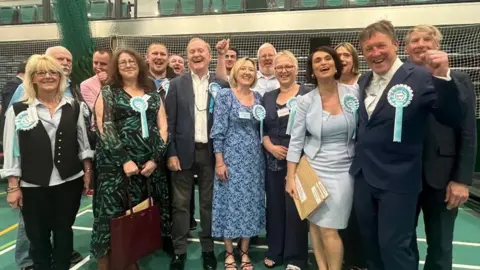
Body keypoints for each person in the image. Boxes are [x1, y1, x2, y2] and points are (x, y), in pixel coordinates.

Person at [350, 20, 465, 270]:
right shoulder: (363, 82)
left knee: (395, 248)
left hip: (399, 180)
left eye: (381, 46)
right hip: (363, 178)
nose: (375, 53)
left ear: (395, 44)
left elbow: (451, 117)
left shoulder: (422, 76)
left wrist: (443, 77)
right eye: (369, 49)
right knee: (370, 245)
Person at [3, 54, 93, 270]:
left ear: (60, 77)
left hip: (69, 181)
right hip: (33, 186)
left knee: (64, 233)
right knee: (37, 238)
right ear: (32, 78)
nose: (48, 76)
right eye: (41, 72)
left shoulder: (74, 106)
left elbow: (83, 144)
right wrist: (13, 186)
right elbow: (11, 151)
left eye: (53, 72)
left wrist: (88, 173)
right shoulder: (17, 110)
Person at [90, 48, 171, 269]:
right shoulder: (108, 92)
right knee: (111, 219)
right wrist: (124, 160)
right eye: (122, 62)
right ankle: (108, 264)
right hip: (116, 169)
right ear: (116, 67)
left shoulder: (151, 92)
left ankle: (130, 260)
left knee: (136, 216)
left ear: (139, 64)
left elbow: (163, 127)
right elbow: (104, 126)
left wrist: (155, 159)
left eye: (131, 61)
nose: (127, 64)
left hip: (147, 167)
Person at [405, 24, 475, 270]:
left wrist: (461, 180)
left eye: (427, 39)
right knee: (403, 242)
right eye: (415, 40)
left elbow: (468, 131)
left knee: (441, 245)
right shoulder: (400, 80)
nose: (421, 44)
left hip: (444, 178)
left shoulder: (459, 79)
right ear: (406, 48)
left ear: (437, 45)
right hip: (403, 177)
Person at [286, 46, 358, 270]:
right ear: (312, 70)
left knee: (330, 228)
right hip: (313, 169)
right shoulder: (305, 101)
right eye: (317, 60)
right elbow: (296, 141)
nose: (323, 63)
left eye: (328, 58)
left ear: (336, 65)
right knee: (315, 224)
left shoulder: (354, 94)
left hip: (344, 170)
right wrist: (290, 177)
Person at [165, 38, 228, 270]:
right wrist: (170, 151)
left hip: (210, 153)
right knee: (180, 204)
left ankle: (208, 249)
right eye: (192, 51)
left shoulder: (220, 84)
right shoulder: (176, 84)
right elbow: (169, 122)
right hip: (182, 153)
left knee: (208, 204)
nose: (196, 54)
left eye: (201, 50)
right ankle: (179, 251)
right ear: (187, 56)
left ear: (209, 55)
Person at [210, 57, 265, 270]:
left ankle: (244, 252)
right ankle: (229, 253)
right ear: (235, 72)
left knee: (249, 206)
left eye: (251, 69)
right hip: (230, 160)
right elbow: (218, 132)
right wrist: (219, 162)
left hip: (253, 163)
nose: (247, 72)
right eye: (243, 68)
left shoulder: (259, 97)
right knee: (229, 205)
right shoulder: (226, 95)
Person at [262, 50, 310, 270]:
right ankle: (275, 250)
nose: (283, 71)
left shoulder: (308, 94)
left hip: (300, 163)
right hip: (273, 163)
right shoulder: (267, 97)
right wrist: (270, 146)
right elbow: (262, 129)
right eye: (279, 67)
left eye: (288, 66)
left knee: (296, 210)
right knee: (274, 207)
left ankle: (296, 257)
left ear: (296, 68)